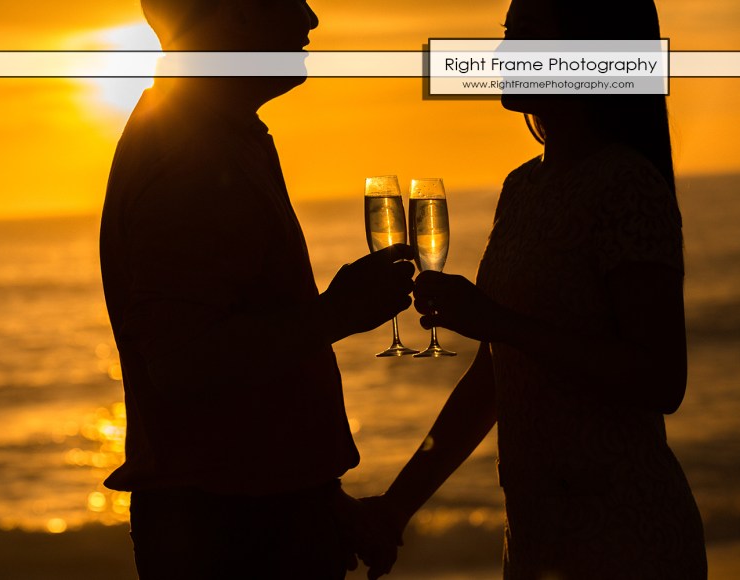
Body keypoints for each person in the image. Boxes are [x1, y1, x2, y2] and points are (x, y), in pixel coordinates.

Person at [358, 0, 708, 578]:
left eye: (526, 35)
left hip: (627, 541)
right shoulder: (523, 186)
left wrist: (497, 322)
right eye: (506, 34)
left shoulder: (626, 185)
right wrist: (397, 507)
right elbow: (492, 381)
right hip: (537, 545)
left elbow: (661, 378)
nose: (501, 54)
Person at [99, 1, 414, 578]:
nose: (310, 18)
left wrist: (319, 502)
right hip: (231, 532)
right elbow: (182, 361)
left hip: (250, 514)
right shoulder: (188, 152)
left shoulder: (217, 134)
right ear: (234, 14)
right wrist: (336, 314)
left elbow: (229, 396)